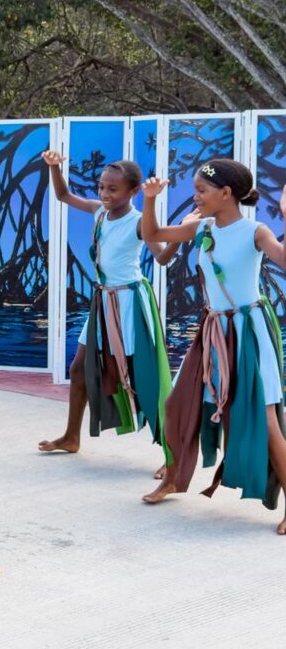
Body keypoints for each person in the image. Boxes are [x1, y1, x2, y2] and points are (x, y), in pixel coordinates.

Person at [140, 159, 286, 534]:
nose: (196, 197)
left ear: (226, 193)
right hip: (212, 330)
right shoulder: (201, 227)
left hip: (248, 332)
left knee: (265, 420)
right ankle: (172, 478)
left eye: (202, 191)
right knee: (177, 404)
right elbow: (152, 233)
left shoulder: (255, 231)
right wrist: (150, 199)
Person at [37, 153, 190, 474]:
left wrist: (180, 228)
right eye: (101, 187)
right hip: (103, 301)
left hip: (130, 304)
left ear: (133, 191)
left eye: (113, 189)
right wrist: (54, 167)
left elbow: (162, 258)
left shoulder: (138, 222)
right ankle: (71, 437)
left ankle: (172, 456)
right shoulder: (99, 213)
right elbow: (63, 195)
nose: (104, 194)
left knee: (145, 378)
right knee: (79, 368)